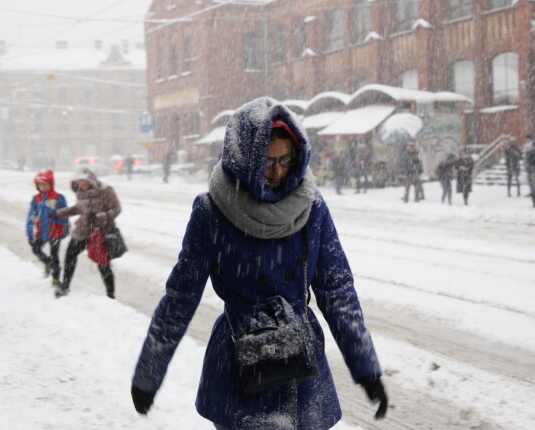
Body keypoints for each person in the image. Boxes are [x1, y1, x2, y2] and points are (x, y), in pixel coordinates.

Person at [130, 97, 388, 430]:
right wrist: (149, 374)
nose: (279, 171)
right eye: (267, 162)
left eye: (286, 159)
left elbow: (337, 291)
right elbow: (180, 297)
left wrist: (366, 369)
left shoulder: (312, 207)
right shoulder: (213, 211)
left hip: (299, 363)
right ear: (244, 159)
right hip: (242, 363)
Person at [51, 167, 121, 298]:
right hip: (82, 231)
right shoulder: (80, 192)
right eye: (78, 183)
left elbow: (116, 209)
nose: (81, 185)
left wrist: (100, 217)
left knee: (103, 265)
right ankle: (65, 286)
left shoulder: (106, 190)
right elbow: (78, 208)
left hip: (100, 232)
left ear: (91, 180)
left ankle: (110, 295)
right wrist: (59, 214)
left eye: (83, 182)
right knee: (70, 256)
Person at [26, 170, 70, 285]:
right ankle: (48, 263)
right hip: (42, 231)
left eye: (46, 184)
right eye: (40, 185)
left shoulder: (59, 197)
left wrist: (54, 218)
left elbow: (65, 215)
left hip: (55, 232)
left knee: (54, 254)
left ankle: (56, 277)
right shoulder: (36, 199)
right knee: (36, 249)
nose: (43, 187)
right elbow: (31, 216)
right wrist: (29, 232)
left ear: (51, 184)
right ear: (37, 185)